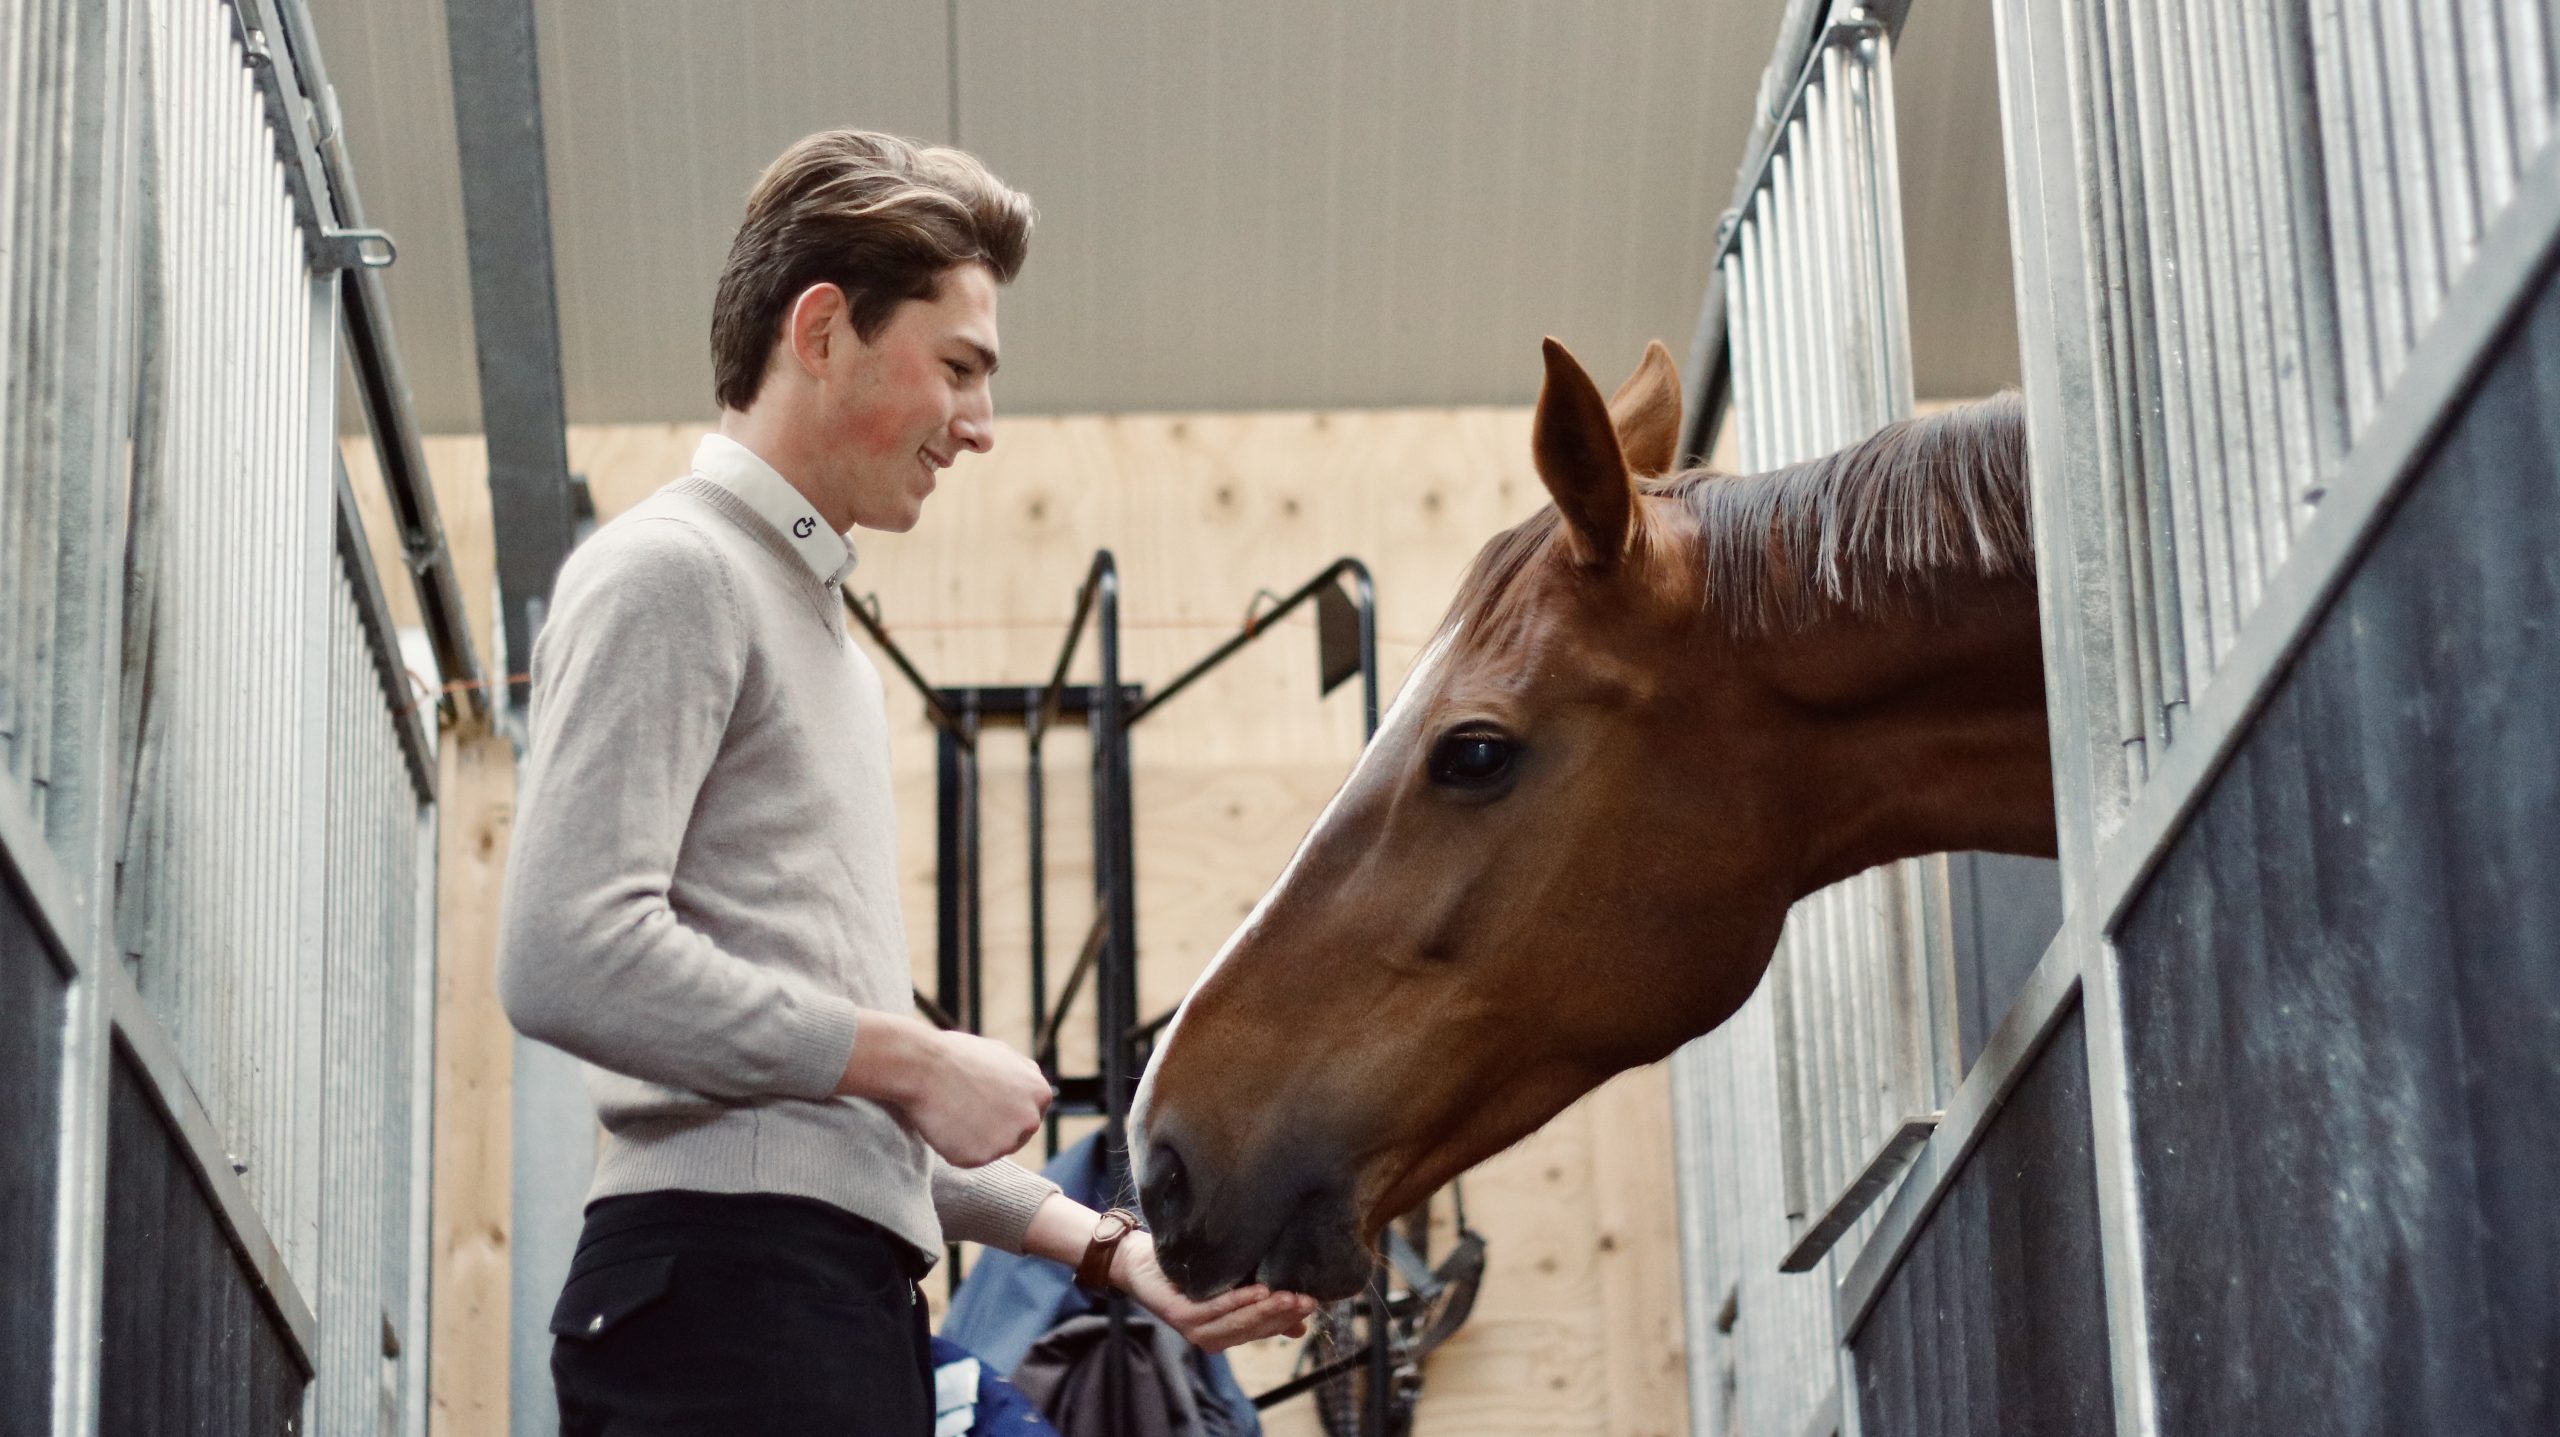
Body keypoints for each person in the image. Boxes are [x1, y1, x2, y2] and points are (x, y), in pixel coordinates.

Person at [497, 129, 1314, 1435]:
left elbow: (841, 1125)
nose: (981, 427)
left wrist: (1113, 1254)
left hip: (828, 1297)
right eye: (960, 368)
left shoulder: (815, 633)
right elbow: (560, 951)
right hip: (732, 1303)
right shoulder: (675, 570)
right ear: (821, 331)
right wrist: (906, 1054)